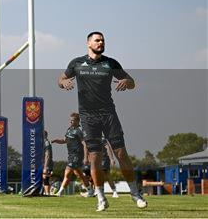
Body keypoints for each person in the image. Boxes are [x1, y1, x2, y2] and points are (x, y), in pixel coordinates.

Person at [58, 31, 147, 211]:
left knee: (121, 153)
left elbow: (131, 82)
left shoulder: (111, 63)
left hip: (108, 115)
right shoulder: (76, 63)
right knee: (95, 158)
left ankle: (135, 194)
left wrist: (126, 83)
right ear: (88, 43)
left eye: (103, 40)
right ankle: (100, 197)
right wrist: (64, 83)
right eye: (97, 40)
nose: (101, 43)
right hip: (88, 117)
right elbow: (61, 79)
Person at [51, 113, 94, 198]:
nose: (70, 121)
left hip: (77, 155)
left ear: (77, 121)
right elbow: (64, 140)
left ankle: (60, 192)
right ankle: (90, 190)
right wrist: (55, 140)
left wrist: (86, 157)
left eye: (72, 120)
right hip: (71, 155)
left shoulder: (79, 130)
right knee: (80, 174)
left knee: (67, 172)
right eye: (70, 120)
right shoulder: (69, 129)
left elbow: (85, 144)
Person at [42, 131, 53, 196]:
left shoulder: (46, 143)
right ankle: (45, 192)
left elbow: (47, 155)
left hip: (47, 164)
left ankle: (47, 193)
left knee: (45, 178)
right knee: (43, 178)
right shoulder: (43, 142)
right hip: (43, 164)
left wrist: (45, 166)